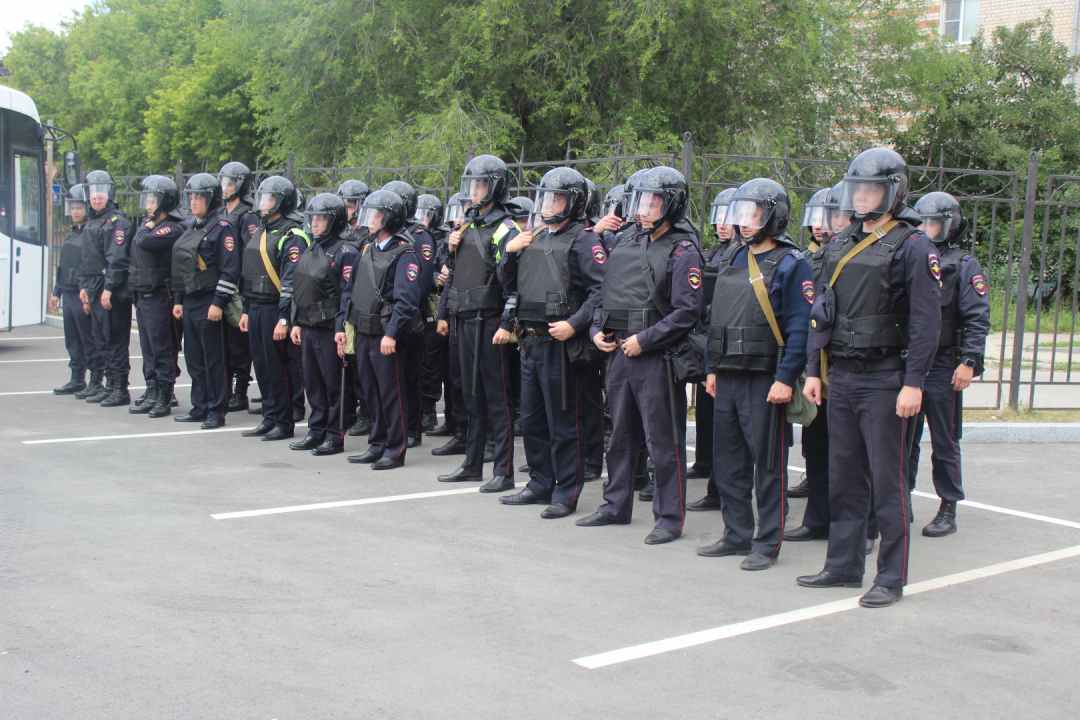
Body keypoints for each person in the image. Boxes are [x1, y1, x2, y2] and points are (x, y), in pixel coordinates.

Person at [797, 147, 941, 608]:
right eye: (856, 188)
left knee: (887, 481)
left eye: (871, 188)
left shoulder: (913, 245)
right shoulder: (840, 241)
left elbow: (925, 322)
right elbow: (822, 313)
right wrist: (814, 371)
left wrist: (914, 382)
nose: (860, 197)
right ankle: (841, 566)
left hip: (885, 379)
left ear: (894, 191)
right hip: (841, 377)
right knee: (843, 478)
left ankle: (891, 577)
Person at [577, 166, 702, 544]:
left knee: (662, 440)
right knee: (621, 437)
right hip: (618, 351)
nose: (643, 209)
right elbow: (603, 293)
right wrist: (597, 329)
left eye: (653, 202)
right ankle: (615, 505)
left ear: (672, 205)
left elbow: (687, 311)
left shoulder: (683, 249)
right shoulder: (624, 241)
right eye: (640, 201)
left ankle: (668, 517)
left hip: (654, 356)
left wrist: (646, 340)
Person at [696, 178, 813, 570]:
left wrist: (785, 377)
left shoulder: (792, 263)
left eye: (753, 215)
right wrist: (712, 368)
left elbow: (800, 327)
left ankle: (766, 543)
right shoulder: (731, 257)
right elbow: (716, 320)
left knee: (767, 465)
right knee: (728, 462)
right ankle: (735, 534)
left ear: (773, 217)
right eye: (740, 215)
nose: (743, 223)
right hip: (727, 375)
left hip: (765, 378)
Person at [497, 167, 606, 519]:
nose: (549, 204)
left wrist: (574, 324)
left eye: (557, 198)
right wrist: (508, 252)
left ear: (573, 202)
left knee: (564, 422)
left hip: (560, 344)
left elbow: (600, 291)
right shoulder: (534, 236)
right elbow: (509, 284)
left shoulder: (584, 239)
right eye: (546, 197)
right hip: (529, 342)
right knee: (532, 419)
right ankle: (540, 482)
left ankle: (565, 492)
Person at [436, 155, 520, 493]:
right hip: (466, 319)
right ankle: (472, 464)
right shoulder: (467, 223)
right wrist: (449, 245)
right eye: (471, 184)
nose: (474, 190)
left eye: (481, 184)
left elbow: (512, 284)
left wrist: (507, 323)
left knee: (498, 400)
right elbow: (450, 272)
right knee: (471, 397)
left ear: (496, 187)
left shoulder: (505, 227)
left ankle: (504, 471)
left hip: (491, 321)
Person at [909, 191, 990, 537]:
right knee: (903, 440)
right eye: (923, 223)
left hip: (944, 363)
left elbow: (977, 317)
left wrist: (969, 361)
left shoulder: (963, 264)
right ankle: (900, 500)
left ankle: (948, 507)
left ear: (952, 226)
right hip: (910, 363)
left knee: (944, 440)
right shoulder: (910, 258)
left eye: (935, 224)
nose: (928, 230)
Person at [341, 190, 423, 469]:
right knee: (370, 392)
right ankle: (377, 444)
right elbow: (352, 290)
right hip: (363, 331)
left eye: (377, 215)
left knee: (391, 393)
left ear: (390, 218)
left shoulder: (404, 254)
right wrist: (346, 325)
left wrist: (392, 334)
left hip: (385, 334)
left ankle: (395, 448)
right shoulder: (367, 248)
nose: (371, 220)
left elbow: (407, 300)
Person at [238, 176, 311, 442]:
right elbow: (250, 272)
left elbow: (291, 280)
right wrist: (245, 308)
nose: (264, 203)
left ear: (282, 201)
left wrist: (284, 318)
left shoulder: (293, 235)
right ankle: (269, 416)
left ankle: (284, 420)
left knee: (279, 368)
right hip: (256, 306)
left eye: (270, 198)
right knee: (263, 366)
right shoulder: (262, 231)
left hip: (274, 309)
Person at [286, 194, 359, 455]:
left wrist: (341, 328)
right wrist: (296, 322)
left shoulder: (345, 251)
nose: (314, 224)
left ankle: (334, 434)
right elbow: (300, 288)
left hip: (329, 327)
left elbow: (347, 295)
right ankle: (316, 430)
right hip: (307, 325)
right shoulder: (310, 248)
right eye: (312, 218)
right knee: (313, 383)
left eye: (321, 219)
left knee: (333, 385)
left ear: (334, 220)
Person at [171, 173, 241, 428]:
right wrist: (178, 298)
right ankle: (199, 406)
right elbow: (183, 267)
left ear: (210, 198)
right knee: (194, 358)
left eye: (199, 197)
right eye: (191, 197)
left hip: (209, 301)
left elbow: (230, 270)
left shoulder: (223, 228)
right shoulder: (192, 226)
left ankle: (216, 410)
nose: (193, 201)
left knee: (214, 359)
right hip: (189, 300)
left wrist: (218, 302)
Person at [686, 187, 738, 506]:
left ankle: (721, 487)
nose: (721, 225)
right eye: (717, 218)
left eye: (727, 218)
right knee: (707, 412)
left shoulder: (745, 254)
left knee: (726, 423)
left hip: (735, 347)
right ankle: (705, 464)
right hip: (710, 341)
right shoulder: (713, 252)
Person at [383, 181, 437, 450]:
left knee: (411, 374)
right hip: (386, 316)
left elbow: (421, 281)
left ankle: (413, 427)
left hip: (409, 315)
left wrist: (401, 313)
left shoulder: (419, 236)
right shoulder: (387, 235)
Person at [128, 176, 185, 417]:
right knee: (148, 348)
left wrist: (148, 225)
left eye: (151, 201)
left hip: (161, 296)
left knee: (162, 348)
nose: (147, 206)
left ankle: (164, 394)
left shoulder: (173, 227)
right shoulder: (150, 224)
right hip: (144, 295)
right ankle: (152, 390)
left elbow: (144, 241)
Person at [77, 170, 135, 407]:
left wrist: (108, 289)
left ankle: (120, 388)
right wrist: (83, 286)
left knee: (114, 338)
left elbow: (117, 260)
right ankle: (109, 385)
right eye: (93, 194)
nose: (97, 198)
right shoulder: (93, 221)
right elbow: (87, 258)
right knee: (101, 338)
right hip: (93, 286)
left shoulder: (116, 222)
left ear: (109, 194)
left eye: (101, 194)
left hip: (109, 289)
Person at [429, 193, 470, 452]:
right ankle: (459, 427)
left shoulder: (487, 233)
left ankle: (481, 437)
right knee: (453, 376)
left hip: (477, 315)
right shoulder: (451, 238)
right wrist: (442, 314)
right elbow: (444, 273)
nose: (457, 217)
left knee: (472, 380)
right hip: (454, 312)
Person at [219, 162, 260, 412]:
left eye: (230, 183)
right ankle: (224, 386)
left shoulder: (247, 215)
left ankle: (240, 390)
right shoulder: (220, 213)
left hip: (237, 286)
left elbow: (250, 253)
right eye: (223, 182)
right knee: (222, 341)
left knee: (238, 342)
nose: (225, 188)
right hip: (220, 285)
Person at [52, 184, 98, 397]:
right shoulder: (72, 233)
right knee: (72, 339)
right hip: (68, 292)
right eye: (73, 207)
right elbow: (64, 264)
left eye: (79, 207)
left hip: (82, 294)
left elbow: (91, 267)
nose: (75, 211)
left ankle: (95, 381)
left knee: (87, 338)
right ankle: (77, 378)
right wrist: (56, 292)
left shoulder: (91, 233)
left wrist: (88, 295)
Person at [338, 179, 374, 437]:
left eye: (351, 205)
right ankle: (351, 408)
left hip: (364, 304)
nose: (347, 209)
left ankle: (366, 411)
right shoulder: (342, 232)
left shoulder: (366, 234)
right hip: (345, 302)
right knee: (349, 361)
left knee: (362, 366)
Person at [415, 193, 449, 433]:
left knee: (432, 360)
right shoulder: (413, 236)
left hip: (435, 305)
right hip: (419, 303)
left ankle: (429, 409)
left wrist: (439, 277)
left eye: (425, 215)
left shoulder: (443, 238)